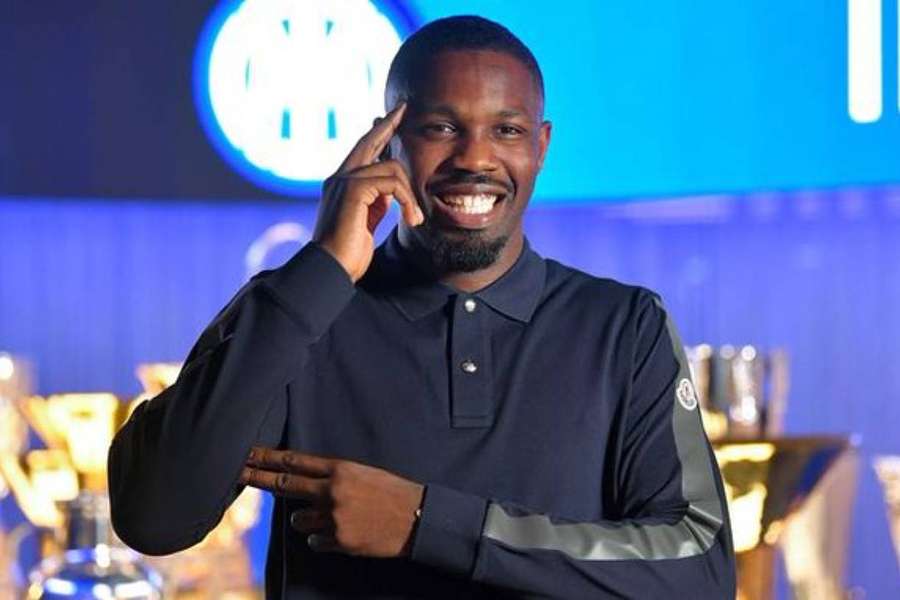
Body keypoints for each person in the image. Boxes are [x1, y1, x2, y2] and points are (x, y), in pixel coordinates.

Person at [108, 15, 736, 599]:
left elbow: (699, 569)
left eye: (507, 130)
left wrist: (423, 523)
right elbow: (155, 518)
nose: (475, 159)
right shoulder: (298, 310)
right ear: (387, 143)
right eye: (440, 128)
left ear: (540, 146)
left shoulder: (623, 326)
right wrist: (323, 266)